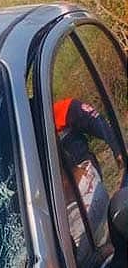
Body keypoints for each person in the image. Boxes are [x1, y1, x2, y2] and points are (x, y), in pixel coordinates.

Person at [53, 96, 124, 251]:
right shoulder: (11, 145)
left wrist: (117, 147)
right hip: (56, 211)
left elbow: (93, 119)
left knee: (102, 244)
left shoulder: (54, 112)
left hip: (85, 190)